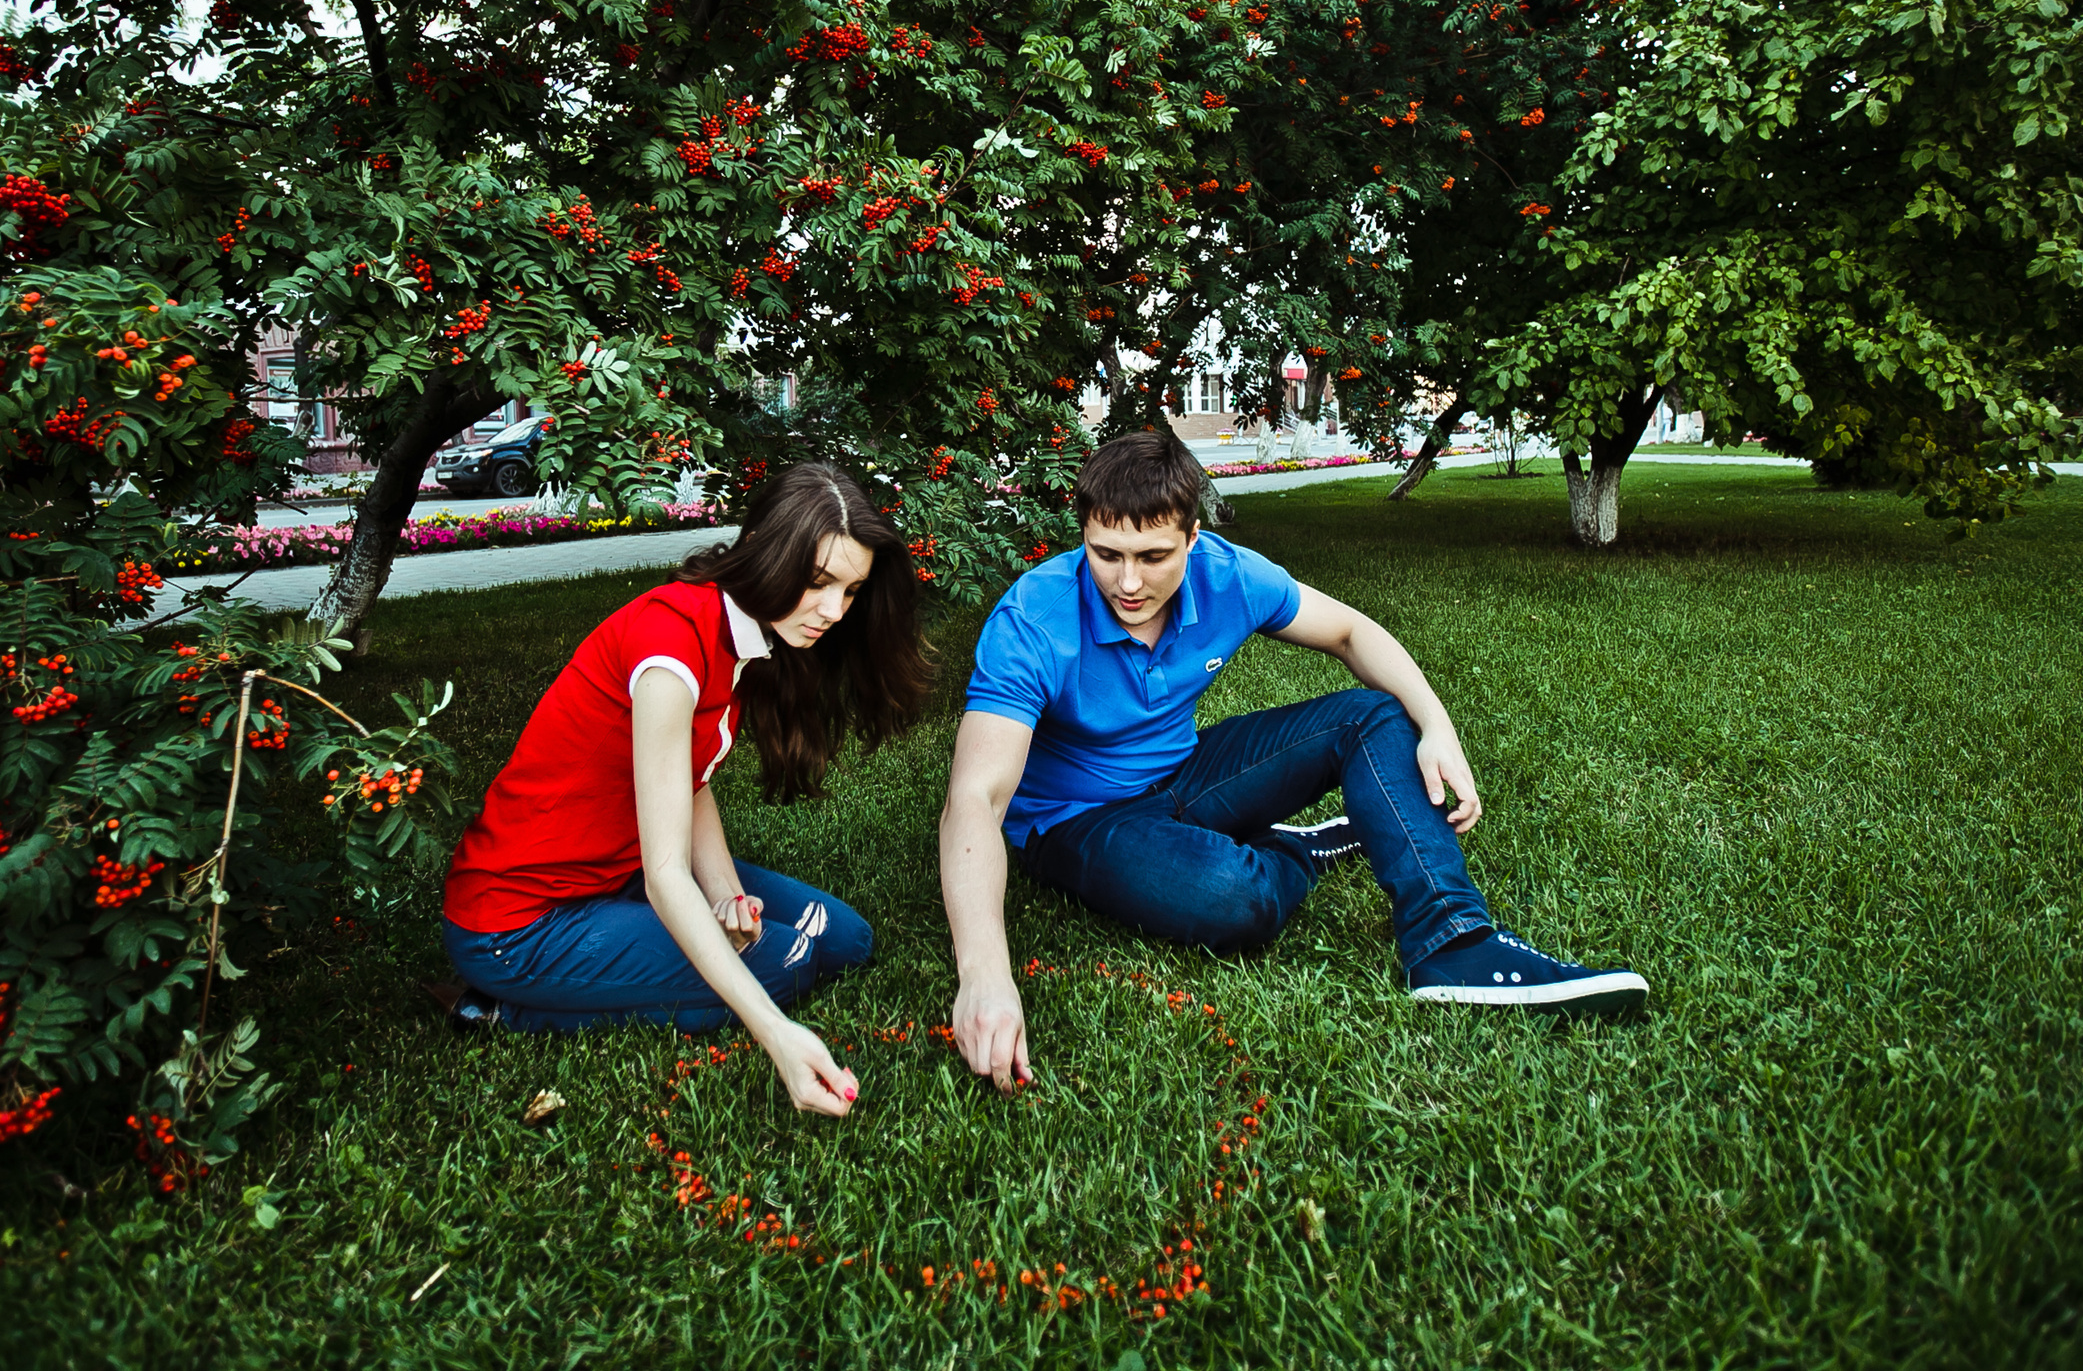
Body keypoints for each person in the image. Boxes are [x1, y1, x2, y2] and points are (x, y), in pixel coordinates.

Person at [939, 431, 1647, 1089]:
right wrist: (984, 975)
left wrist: (1438, 726)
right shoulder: (1033, 620)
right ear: (1085, 538)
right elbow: (974, 797)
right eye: (1106, 555)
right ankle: (1298, 851)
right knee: (1235, 900)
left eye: (1153, 557)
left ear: (1193, 536)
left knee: (1374, 715)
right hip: (1077, 820)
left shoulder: (1227, 574)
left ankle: (1451, 943)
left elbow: (1350, 631)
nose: (1127, 582)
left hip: (1188, 771)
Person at [440, 464, 930, 1117]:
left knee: (847, 940)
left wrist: (727, 896)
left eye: (850, 590)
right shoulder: (672, 646)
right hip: (519, 922)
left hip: (612, 877)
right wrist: (778, 1036)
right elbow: (667, 875)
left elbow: (690, 784)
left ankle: (640, 962)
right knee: (785, 964)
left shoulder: (740, 633)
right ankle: (502, 1008)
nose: (834, 611)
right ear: (762, 546)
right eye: (818, 583)